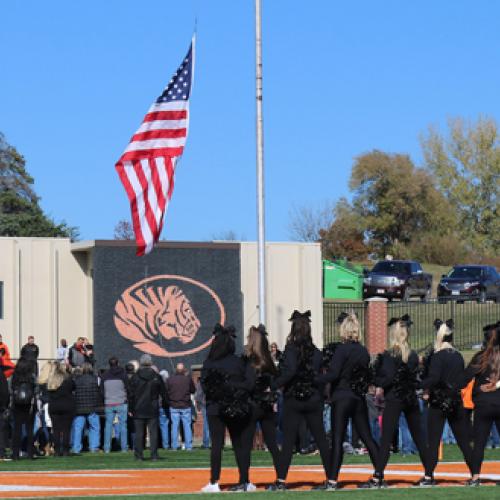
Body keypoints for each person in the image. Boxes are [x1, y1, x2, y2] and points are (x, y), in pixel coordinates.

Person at [360, 315, 427, 488]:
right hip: (410, 398)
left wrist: (375, 381)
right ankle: (429, 474)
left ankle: (378, 477)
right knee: (419, 436)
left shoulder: (390, 355)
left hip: (395, 398)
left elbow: (388, 378)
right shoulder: (412, 355)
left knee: (386, 439)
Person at [268, 310, 331, 491]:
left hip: (294, 399)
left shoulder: (290, 350)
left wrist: (273, 385)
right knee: (320, 440)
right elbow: (320, 374)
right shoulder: (317, 353)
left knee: (288, 441)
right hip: (313, 399)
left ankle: (281, 481)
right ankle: (331, 479)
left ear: (294, 329)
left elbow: (289, 372)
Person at [320, 312, 379, 490]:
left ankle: (332, 480)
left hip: (342, 397)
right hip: (358, 398)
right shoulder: (363, 351)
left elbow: (334, 374)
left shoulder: (342, 349)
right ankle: (379, 476)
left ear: (344, 331)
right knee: (367, 438)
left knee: (337, 439)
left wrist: (315, 378)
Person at [419, 319, 474, 486]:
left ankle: (429, 476)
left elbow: (434, 378)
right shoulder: (457, 356)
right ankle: (475, 473)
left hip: (438, 401)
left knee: (434, 441)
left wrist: (419, 385)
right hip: (455, 401)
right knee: (463, 440)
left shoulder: (438, 357)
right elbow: (462, 379)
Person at [200, 324, 253, 493]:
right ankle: (244, 481)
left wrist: (222, 387)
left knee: (216, 445)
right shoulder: (238, 362)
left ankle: (214, 482)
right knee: (239, 444)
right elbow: (248, 384)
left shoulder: (209, 363)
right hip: (235, 407)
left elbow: (205, 386)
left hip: (215, 408)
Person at [241, 325, 280, 481]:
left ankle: (244, 479)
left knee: (246, 444)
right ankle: (280, 477)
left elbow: (249, 384)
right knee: (272, 443)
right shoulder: (268, 361)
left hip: (253, 404)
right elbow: (275, 381)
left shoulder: (251, 362)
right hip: (266, 405)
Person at [463, 322, 500, 487]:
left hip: (483, 404)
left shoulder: (480, 357)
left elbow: (465, 377)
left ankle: (475, 477)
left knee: (479, 443)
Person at [128, 354, 167, 460]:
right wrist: (164, 405)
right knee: (153, 433)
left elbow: (130, 394)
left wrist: (130, 408)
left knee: (139, 433)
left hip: (138, 408)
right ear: (151, 363)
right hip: (152, 407)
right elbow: (163, 393)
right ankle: (154, 455)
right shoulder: (156, 376)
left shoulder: (135, 377)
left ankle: (139, 455)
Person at [10, 357, 37, 459]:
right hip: (29, 404)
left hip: (17, 405)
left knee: (17, 430)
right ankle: (30, 453)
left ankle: (15, 453)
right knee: (29, 430)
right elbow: (37, 389)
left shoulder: (15, 376)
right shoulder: (32, 376)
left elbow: (10, 389)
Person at [72, 362, 102, 454]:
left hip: (79, 407)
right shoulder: (96, 379)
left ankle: (76, 448)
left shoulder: (76, 380)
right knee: (95, 428)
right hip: (92, 406)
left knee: (78, 428)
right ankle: (94, 447)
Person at [101, 357, 129, 453]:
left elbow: (101, 391)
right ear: (118, 363)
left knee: (108, 426)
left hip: (108, 403)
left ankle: (107, 448)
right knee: (123, 425)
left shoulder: (104, 375)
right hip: (121, 402)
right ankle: (124, 447)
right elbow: (128, 388)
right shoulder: (123, 374)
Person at [47, 361, 75, 456]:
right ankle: (66, 450)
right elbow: (74, 388)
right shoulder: (68, 380)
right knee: (66, 429)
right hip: (67, 405)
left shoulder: (51, 381)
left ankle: (57, 450)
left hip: (54, 406)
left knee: (56, 429)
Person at [166, 363, 195, 451]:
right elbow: (193, 390)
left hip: (174, 405)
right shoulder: (188, 379)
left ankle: (174, 446)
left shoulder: (170, 379)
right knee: (187, 426)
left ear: (176, 370)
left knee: (174, 426)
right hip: (185, 405)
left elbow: (166, 392)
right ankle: (188, 446)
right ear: (184, 370)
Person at [0, 350, 11, 459]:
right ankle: (1, 452)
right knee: (2, 430)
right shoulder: (1, 374)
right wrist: (5, 405)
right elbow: (4, 392)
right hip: (1, 406)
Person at [194, 378, 210, 449]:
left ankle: (206, 443)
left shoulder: (201, 382)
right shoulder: (217, 380)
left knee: (206, 424)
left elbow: (198, 395)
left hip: (205, 405)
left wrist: (198, 405)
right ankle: (217, 444)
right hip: (213, 405)